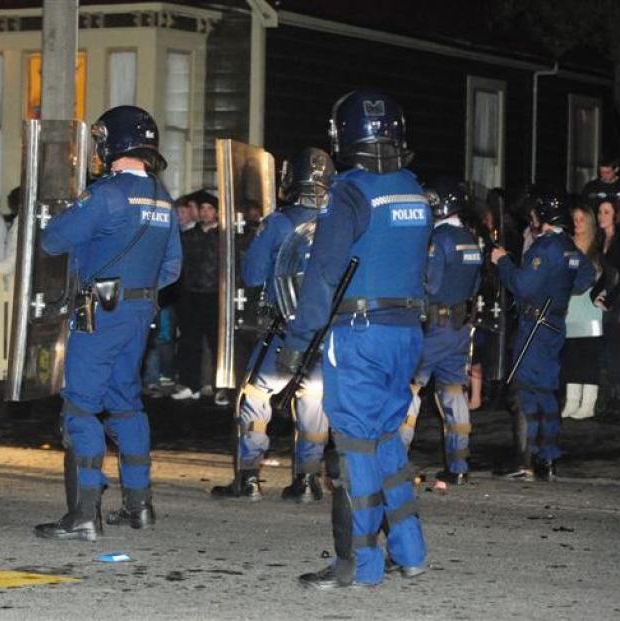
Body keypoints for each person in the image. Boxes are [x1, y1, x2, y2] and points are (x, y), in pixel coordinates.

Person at [284, 91, 430, 589]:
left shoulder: (349, 192)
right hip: (407, 332)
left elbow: (323, 272)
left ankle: (359, 564)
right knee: (387, 438)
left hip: (359, 335)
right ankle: (410, 551)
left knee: (355, 448)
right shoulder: (413, 189)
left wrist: (299, 338)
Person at [34, 105, 181, 541]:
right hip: (139, 312)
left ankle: (82, 515)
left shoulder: (106, 194)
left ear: (110, 144)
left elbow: (53, 238)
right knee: (126, 403)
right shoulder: (162, 198)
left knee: (80, 405)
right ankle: (139, 506)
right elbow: (171, 267)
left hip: (100, 312)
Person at [210, 147, 334, 502]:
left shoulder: (279, 222)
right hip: (324, 331)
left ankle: (247, 478)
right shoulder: (339, 222)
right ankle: (308, 481)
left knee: (255, 398)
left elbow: (251, 274)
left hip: (283, 328)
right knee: (314, 401)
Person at [492, 192, 594, 482]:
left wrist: (503, 262)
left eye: (536, 213)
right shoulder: (568, 246)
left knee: (524, 390)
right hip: (554, 323)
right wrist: (557, 289)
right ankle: (547, 457)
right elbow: (585, 278)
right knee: (547, 390)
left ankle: (524, 461)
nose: (533, 218)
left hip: (534, 325)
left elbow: (522, 286)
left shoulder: (545, 247)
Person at [399, 178, 481, 486]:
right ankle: (459, 466)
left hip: (434, 327)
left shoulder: (439, 238)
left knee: (409, 389)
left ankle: (397, 461)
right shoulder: (471, 239)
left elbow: (430, 284)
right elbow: (474, 285)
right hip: (460, 328)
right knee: (453, 393)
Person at [172, 191, 220, 402]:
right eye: (202, 209)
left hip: (215, 295)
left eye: (209, 208)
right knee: (189, 342)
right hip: (191, 294)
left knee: (216, 343)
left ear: (217, 212)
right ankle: (191, 384)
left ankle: (221, 387)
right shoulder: (190, 236)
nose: (205, 212)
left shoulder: (224, 237)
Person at [560, 204, 603, 419]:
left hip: (590, 308)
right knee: (571, 354)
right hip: (570, 307)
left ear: (589, 221)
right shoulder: (567, 245)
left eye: (581, 219)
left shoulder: (598, 246)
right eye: (574, 219)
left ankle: (588, 402)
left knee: (588, 355)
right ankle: (571, 400)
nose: (577, 224)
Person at [595, 200, 620, 417]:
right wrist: (594, 294)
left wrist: (610, 299)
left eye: (606, 212)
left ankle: (619, 399)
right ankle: (613, 397)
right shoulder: (601, 240)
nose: (601, 215)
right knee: (609, 350)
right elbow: (604, 274)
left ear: (615, 215)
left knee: (617, 351)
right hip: (610, 301)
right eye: (599, 211)